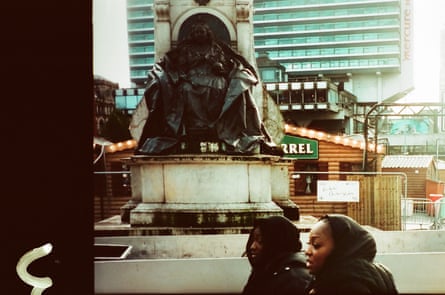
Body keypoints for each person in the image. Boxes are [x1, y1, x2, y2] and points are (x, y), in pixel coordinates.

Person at [133, 20, 280, 155]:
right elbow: (178, 66)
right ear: (192, 34)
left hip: (213, 77)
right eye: (197, 32)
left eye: (202, 32)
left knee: (220, 85)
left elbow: (225, 65)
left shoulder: (216, 48)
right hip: (191, 78)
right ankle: (196, 126)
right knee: (185, 89)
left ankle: (216, 125)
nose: (199, 35)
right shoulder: (185, 49)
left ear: (207, 33)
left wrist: (219, 67)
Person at [304, 214, 398, 295]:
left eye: (316, 245)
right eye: (309, 244)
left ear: (341, 248)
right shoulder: (379, 273)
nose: (307, 252)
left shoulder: (346, 285)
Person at [242, 215, 311, 295]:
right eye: (252, 240)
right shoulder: (263, 270)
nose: (252, 247)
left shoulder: (294, 279)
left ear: (277, 243)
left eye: (260, 241)